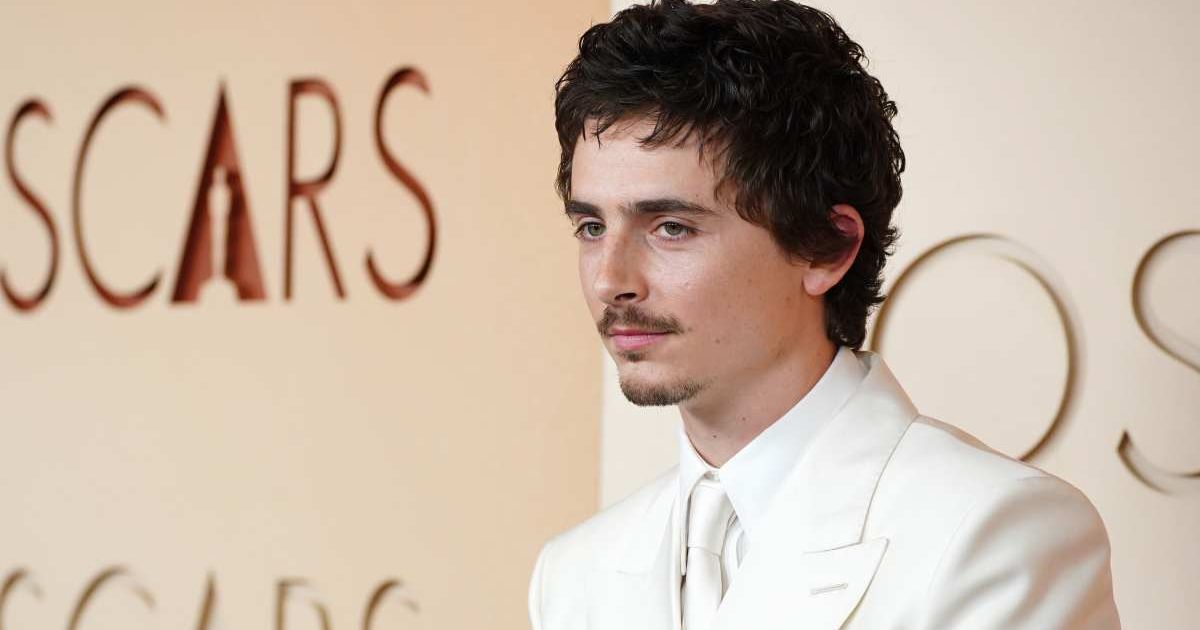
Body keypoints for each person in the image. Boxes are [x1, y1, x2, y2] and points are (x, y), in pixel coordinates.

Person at [528, 1, 1121, 628]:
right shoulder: (572, 574)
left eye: (671, 227)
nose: (609, 279)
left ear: (826, 246)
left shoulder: (996, 536)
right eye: (591, 225)